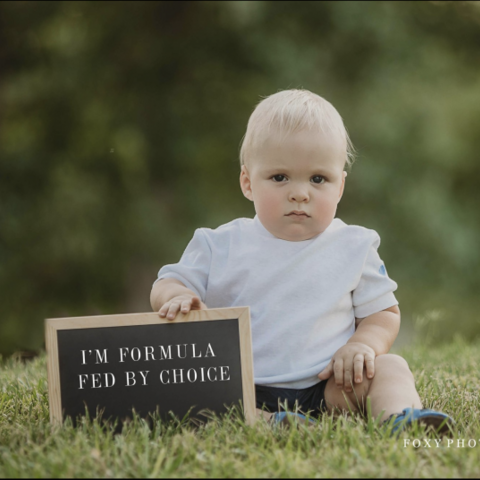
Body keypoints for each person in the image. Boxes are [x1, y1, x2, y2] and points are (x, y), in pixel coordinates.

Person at [150, 89, 453, 434]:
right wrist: (174, 296)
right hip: (246, 387)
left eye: (318, 179)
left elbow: (383, 314)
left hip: (329, 386)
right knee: (204, 399)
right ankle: (275, 423)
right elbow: (167, 282)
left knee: (391, 367)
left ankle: (398, 418)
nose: (300, 192)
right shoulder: (218, 244)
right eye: (280, 177)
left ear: (339, 188)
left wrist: (361, 345)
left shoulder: (354, 246)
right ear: (248, 183)